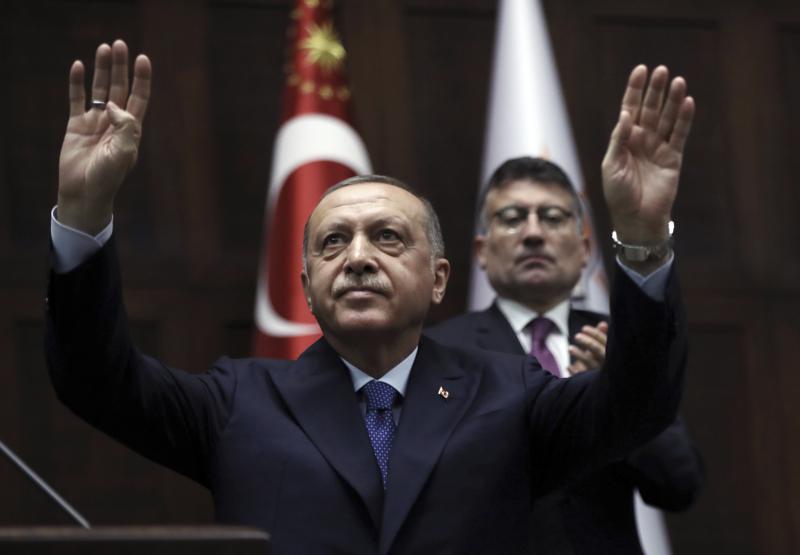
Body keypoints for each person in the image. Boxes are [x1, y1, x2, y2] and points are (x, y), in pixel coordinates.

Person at [45, 39, 693, 554]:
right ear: (306, 288)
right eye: (332, 243)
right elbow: (95, 378)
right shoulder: (236, 401)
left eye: (386, 236)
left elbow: (637, 404)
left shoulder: (513, 394)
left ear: (439, 278)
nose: (357, 257)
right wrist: (82, 213)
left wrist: (638, 237)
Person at [427, 156, 703, 553]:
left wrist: (620, 392)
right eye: (512, 218)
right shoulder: (442, 352)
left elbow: (680, 484)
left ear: (584, 249)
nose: (534, 233)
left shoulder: (623, 343)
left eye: (553, 217)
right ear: (481, 252)